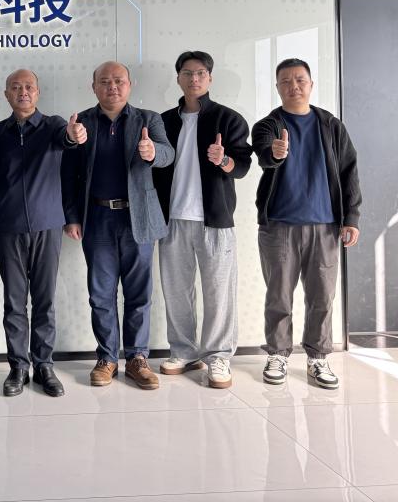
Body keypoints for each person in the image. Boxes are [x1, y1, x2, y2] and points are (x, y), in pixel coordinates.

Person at [62, 61, 174, 389]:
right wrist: (71, 216)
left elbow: (168, 154)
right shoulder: (82, 122)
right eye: (105, 81)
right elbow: (68, 174)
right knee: (101, 294)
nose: (112, 87)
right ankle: (107, 358)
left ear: (129, 84)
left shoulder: (148, 119)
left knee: (139, 293)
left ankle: (137, 358)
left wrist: (152, 152)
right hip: (97, 218)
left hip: (138, 218)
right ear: (94, 86)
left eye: (118, 81)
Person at [252, 58, 361, 389]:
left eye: (300, 79)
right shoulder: (267, 125)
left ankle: (318, 357)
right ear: (277, 87)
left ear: (311, 84)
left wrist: (351, 217)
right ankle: (278, 354)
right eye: (285, 81)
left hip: (325, 226)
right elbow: (264, 154)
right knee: (279, 296)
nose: (293, 86)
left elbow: (349, 170)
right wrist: (276, 152)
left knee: (322, 296)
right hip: (279, 226)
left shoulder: (331, 125)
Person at [0, 69, 85, 397]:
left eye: (28, 87)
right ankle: (18, 367)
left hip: (47, 225)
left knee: (44, 300)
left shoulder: (53, 126)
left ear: (37, 92)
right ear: (6, 94)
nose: (22, 92)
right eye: (15, 87)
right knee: (14, 303)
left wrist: (74, 135)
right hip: (8, 228)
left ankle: (44, 366)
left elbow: (68, 140)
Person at [152, 51, 252, 389]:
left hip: (215, 220)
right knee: (176, 292)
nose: (193, 79)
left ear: (209, 78)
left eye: (200, 73)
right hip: (173, 219)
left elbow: (242, 166)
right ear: (178, 78)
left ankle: (218, 356)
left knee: (219, 292)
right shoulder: (164, 121)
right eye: (187, 73)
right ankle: (183, 351)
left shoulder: (229, 119)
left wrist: (223, 160)